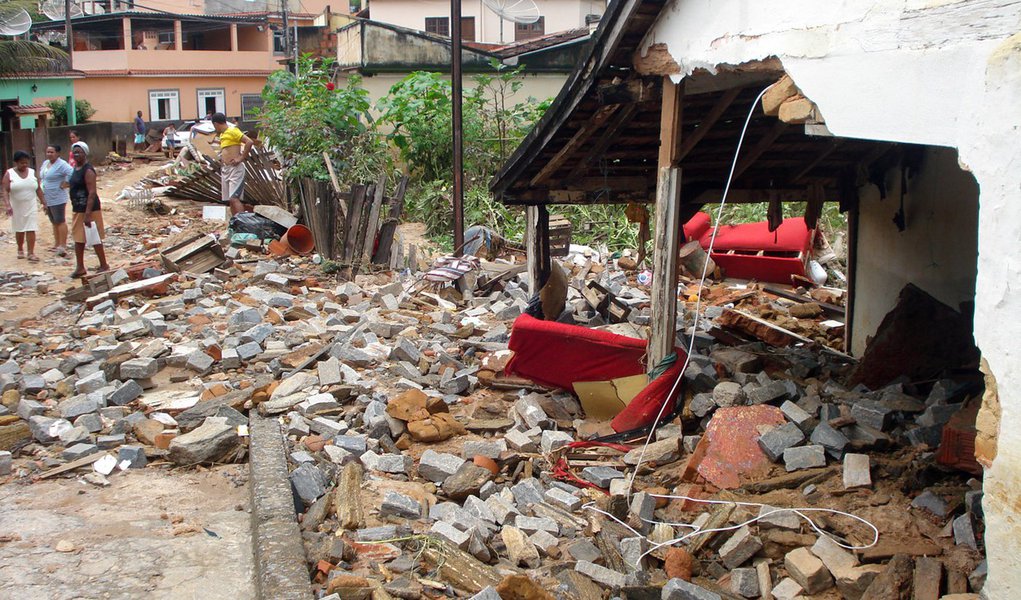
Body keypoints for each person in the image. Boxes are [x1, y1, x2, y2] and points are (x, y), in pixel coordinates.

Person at [68, 141, 110, 278]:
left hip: (89, 209)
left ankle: (104, 264)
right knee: (78, 238)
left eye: (79, 152)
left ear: (85, 154)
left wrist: (87, 214)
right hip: (78, 208)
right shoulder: (76, 169)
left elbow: (92, 193)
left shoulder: (88, 170)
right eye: (74, 152)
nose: (76, 154)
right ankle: (80, 267)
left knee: (94, 237)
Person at [2, 150, 45, 262]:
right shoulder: (9, 173)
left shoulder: (32, 172)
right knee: (19, 228)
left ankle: (31, 252)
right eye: (22, 163)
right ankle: (20, 248)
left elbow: (38, 189)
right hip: (16, 206)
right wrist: (7, 205)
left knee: (31, 227)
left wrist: (44, 202)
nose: (24, 165)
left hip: (31, 204)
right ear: (16, 162)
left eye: (26, 162)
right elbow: (5, 190)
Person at [211, 112, 254, 215]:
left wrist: (241, 158)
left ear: (216, 124)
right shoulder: (222, 135)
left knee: (234, 198)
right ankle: (234, 221)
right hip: (226, 169)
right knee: (230, 200)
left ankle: (242, 221)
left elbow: (249, 142)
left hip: (235, 169)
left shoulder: (233, 130)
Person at [39, 144, 74, 257]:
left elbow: (72, 172)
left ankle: (63, 245)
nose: (49, 154)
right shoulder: (45, 163)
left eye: (52, 152)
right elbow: (42, 176)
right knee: (53, 221)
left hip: (58, 196)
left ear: (58, 153)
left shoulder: (62, 164)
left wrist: (66, 183)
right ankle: (56, 243)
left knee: (60, 220)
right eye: (48, 152)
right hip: (47, 196)